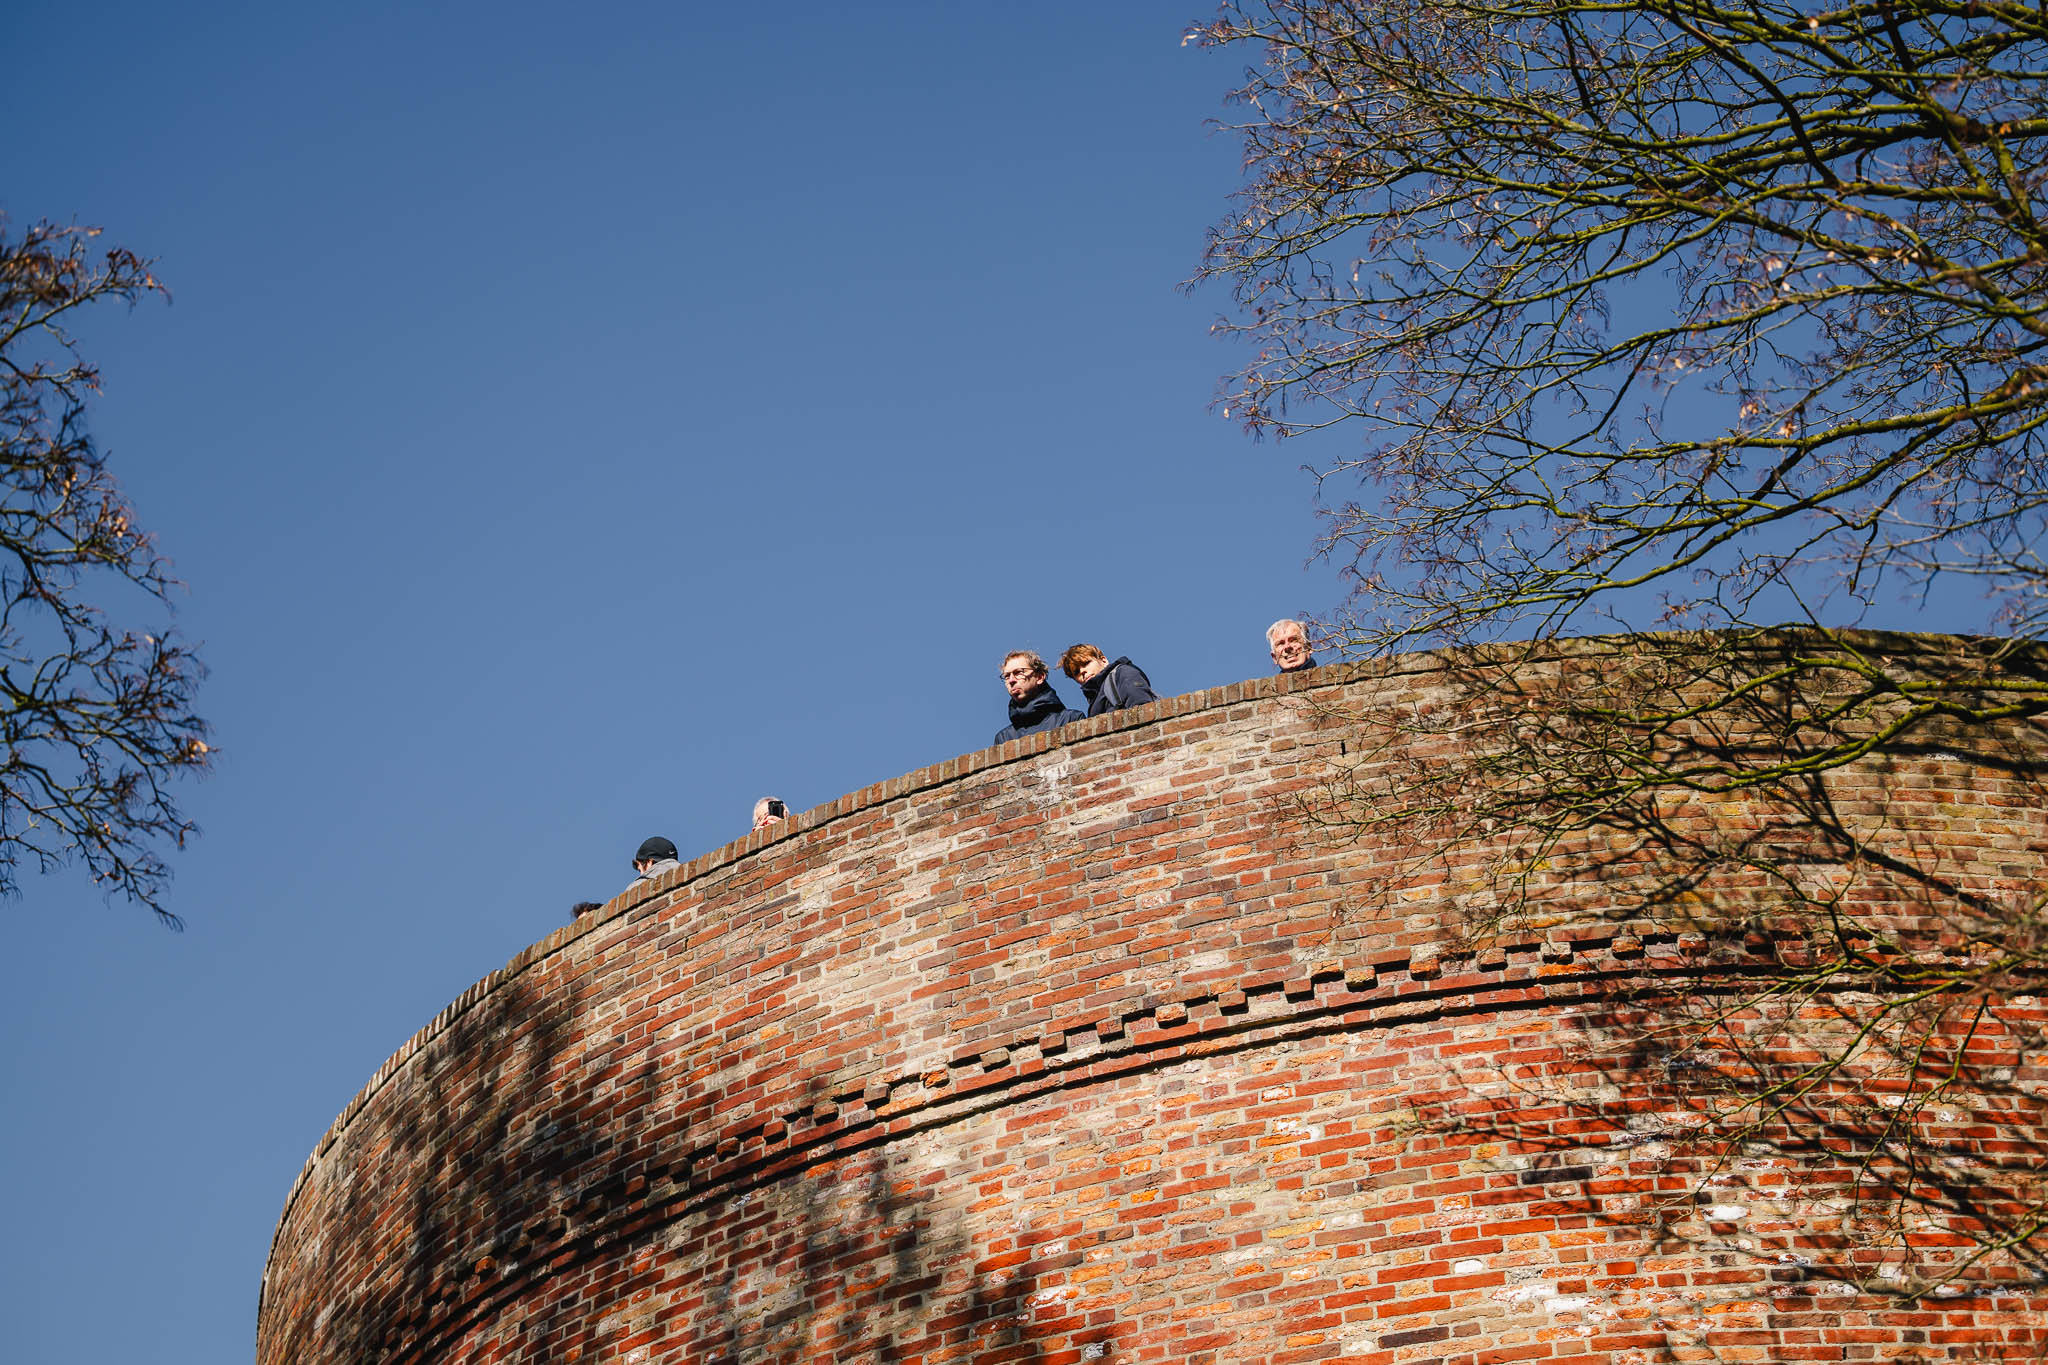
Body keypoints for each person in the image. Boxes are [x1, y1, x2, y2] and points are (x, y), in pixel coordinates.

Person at [994, 649, 1086, 744]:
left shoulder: (1070, 720)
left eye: (1018, 672)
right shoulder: (1004, 738)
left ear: (1040, 677)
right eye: (1007, 676)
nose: (1011, 680)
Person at [1059, 643, 1158, 718]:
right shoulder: (1094, 699)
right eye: (1076, 672)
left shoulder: (1122, 673)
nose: (1082, 671)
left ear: (1104, 661)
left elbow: (1144, 713)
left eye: (1086, 663)